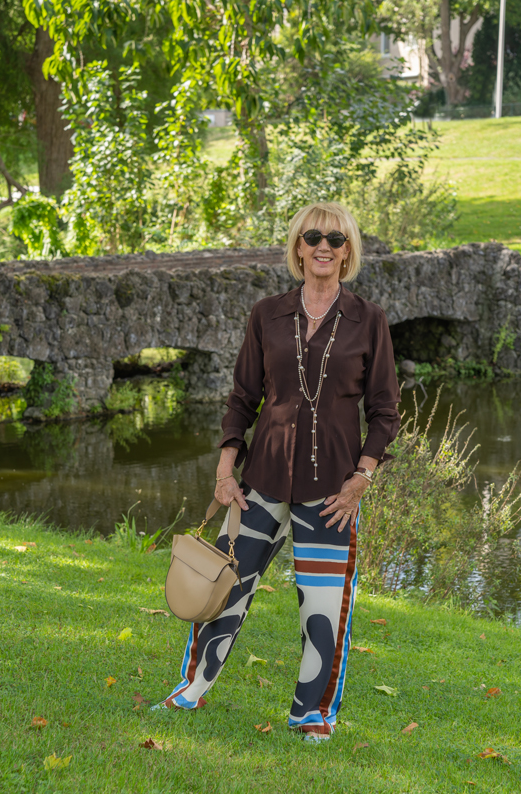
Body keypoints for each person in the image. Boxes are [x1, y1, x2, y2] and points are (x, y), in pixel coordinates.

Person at [153, 201, 401, 742]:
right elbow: (243, 398)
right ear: (297, 247)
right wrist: (225, 470)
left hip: (332, 493)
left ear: (348, 251)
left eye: (335, 239)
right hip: (260, 483)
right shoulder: (266, 314)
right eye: (313, 237)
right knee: (226, 589)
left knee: (323, 608)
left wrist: (362, 479)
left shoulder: (369, 320)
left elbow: (385, 412)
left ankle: (311, 713)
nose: (323, 247)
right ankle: (191, 688)